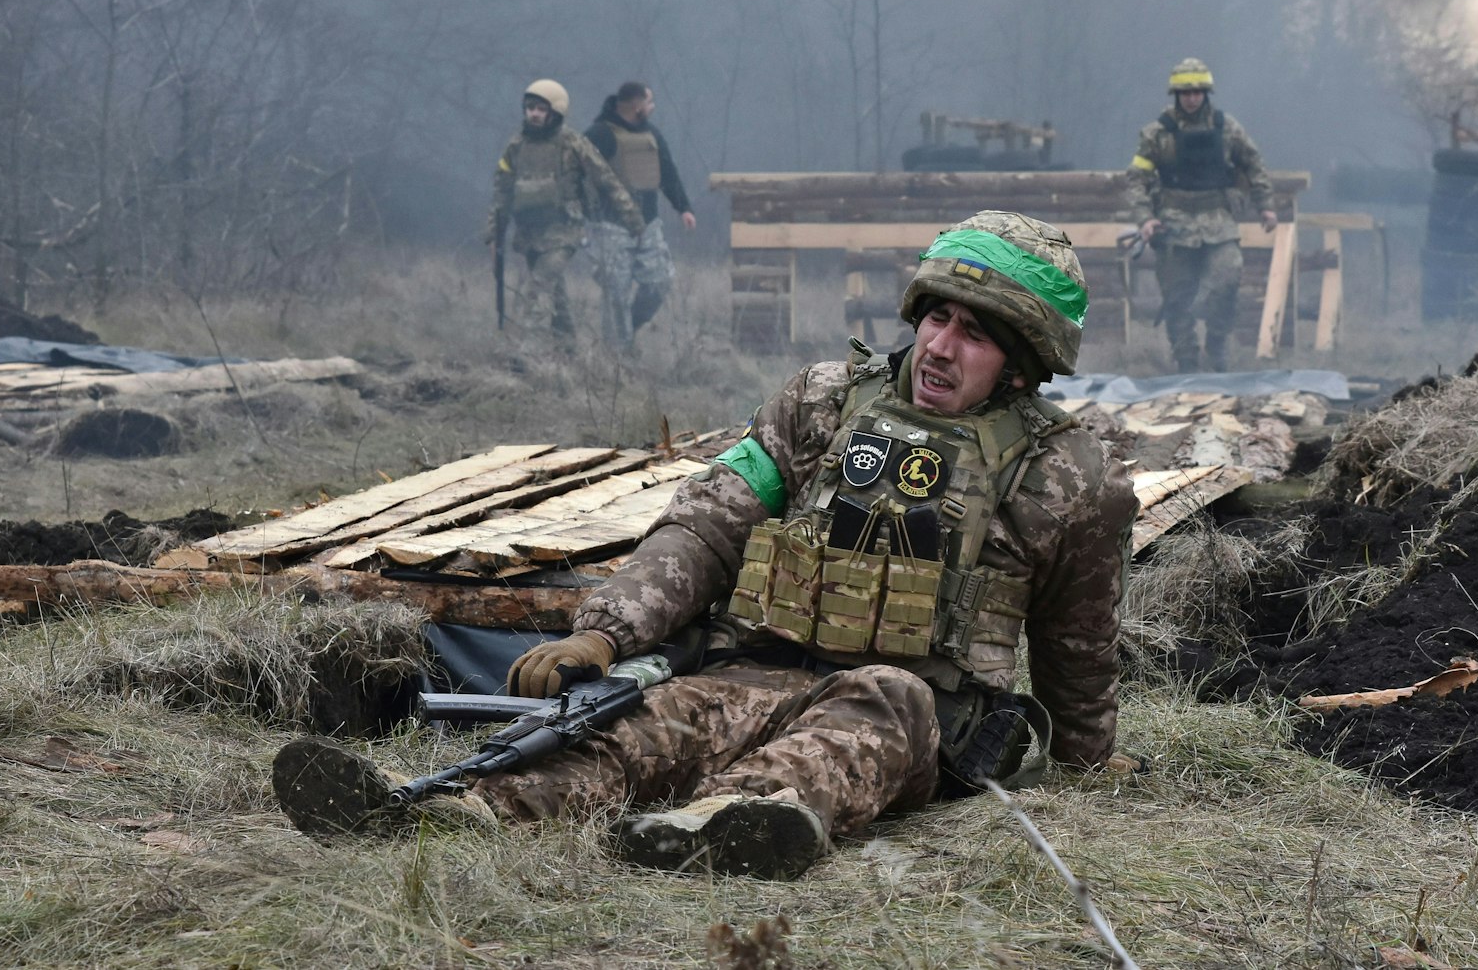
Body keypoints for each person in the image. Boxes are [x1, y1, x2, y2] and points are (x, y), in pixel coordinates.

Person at [274, 211, 1139, 880]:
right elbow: (708, 524)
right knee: (644, 726)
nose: (942, 348)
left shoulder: (1070, 477)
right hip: (750, 673)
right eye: (938, 318)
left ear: (1023, 365)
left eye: (975, 334)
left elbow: (1077, 642)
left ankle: (723, 824)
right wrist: (605, 631)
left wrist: (1087, 760)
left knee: (880, 700)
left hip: (919, 714)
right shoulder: (822, 404)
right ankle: (457, 812)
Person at [1127, 57, 1277, 372]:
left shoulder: (1227, 128)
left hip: (1218, 220)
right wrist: (1145, 219)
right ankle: (1187, 363)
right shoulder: (1157, 133)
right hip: (1173, 222)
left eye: (1197, 92)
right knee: (1177, 296)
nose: (1192, 98)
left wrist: (1265, 205)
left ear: (1206, 93)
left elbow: (1253, 164)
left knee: (1227, 276)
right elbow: (1137, 179)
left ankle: (1217, 344)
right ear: (1176, 95)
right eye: (1185, 92)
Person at [484, 79, 644, 343]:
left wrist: (633, 219)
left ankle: (528, 352)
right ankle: (568, 349)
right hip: (530, 232)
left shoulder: (572, 144)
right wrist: (493, 235)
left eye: (540, 109)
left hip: (563, 232)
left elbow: (606, 180)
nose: (534, 113)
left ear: (554, 112)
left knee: (539, 285)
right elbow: (502, 192)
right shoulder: (515, 147)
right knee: (556, 295)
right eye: (530, 107)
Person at [583, 82, 696, 348]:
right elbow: (578, 177)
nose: (652, 107)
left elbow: (667, 173)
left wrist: (684, 208)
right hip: (610, 227)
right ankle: (617, 358)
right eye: (649, 102)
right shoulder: (599, 134)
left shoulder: (652, 135)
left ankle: (631, 328)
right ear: (637, 106)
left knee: (660, 281)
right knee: (616, 294)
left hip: (649, 225)